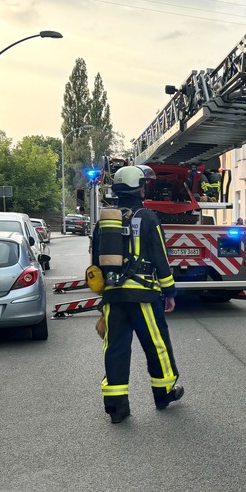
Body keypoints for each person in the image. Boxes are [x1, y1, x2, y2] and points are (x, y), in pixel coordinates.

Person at [92, 165, 184, 424]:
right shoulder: (148, 217)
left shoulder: (104, 220)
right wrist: (169, 292)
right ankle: (164, 394)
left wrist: (105, 294)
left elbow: (95, 262)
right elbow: (160, 258)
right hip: (143, 296)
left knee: (115, 349)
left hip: (112, 296)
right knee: (157, 346)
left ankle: (117, 407)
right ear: (139, 188)